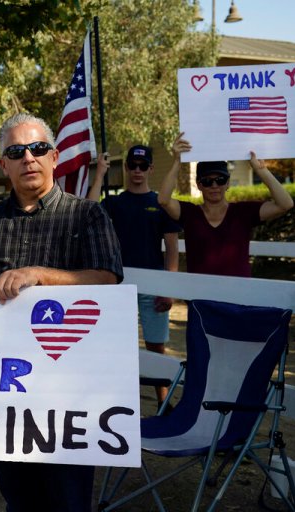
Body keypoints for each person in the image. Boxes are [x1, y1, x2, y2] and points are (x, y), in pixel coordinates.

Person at [0, 112, 123, 512]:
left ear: (54, 157)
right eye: (16, 151)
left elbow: (108, 281)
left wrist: (39, 275)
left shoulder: (88, 214)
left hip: (71, 393)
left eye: (38, 148)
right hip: (4, 392)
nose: (29, 157)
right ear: (4, 164)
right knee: (18, 497)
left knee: (68, 499)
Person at [88, 145, 180, 408]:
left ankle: (163, 404)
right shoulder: (114, 203)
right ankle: (120, 402)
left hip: (154, 286)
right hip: (119, 286)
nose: (137, 171)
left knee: (156, 348)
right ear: (126, 167)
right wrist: (100, 174)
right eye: (132, 165)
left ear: (150, 168)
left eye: (143, 166)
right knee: (119, 347)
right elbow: (89, 209)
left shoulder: (160, 203)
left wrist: (168, 287)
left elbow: (172, 248)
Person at [158, 133, 294, 277]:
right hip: (200, 295)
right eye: (207, 181)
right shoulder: (189, 213)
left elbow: (285, 204)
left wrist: (261, 170)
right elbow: (163, 200)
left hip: (238, 295)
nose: (214, 185)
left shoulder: (243, 212)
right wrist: (177, 162)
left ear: (228, 183)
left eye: (220, 180)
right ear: (199, 185)